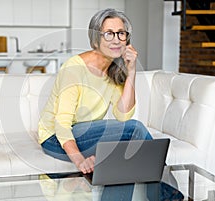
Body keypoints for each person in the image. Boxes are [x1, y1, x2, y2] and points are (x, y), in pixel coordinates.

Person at [37, 8, 183, 200]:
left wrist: (131, 71)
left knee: (123, 153)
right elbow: (62, 124)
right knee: (134, 130)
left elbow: (123, 115)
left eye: (121, 33)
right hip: (55, 138)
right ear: (96, 38)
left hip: (84, 132)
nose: (116, 39)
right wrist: (79, 160)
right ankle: (165, 196)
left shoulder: (113, 70)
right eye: (109, 34)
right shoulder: (74, 69)